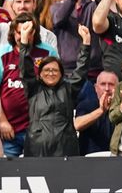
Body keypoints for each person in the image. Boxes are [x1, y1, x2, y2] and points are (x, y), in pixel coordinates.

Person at [0, 13, 58, 157]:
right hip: (10, 129)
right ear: (12, 32)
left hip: (40, 128)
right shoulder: (1, 54)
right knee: (8, 173)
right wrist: (2, 121)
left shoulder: (48, 52)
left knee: (38, 171)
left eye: (28, 32)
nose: (22, 36)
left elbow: (56, 88)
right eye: (19, 32)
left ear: (35, 33)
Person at [19, 24, 91, 156]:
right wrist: (24, 40)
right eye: (46, 70)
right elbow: (26, 68)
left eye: (55, 70)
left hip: (64, 146)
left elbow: (81, 70)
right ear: (39, 74)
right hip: (37, 147)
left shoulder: (68, 88)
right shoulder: (33, 89)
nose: (51, 73)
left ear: (61, 74)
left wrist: (86, 43)